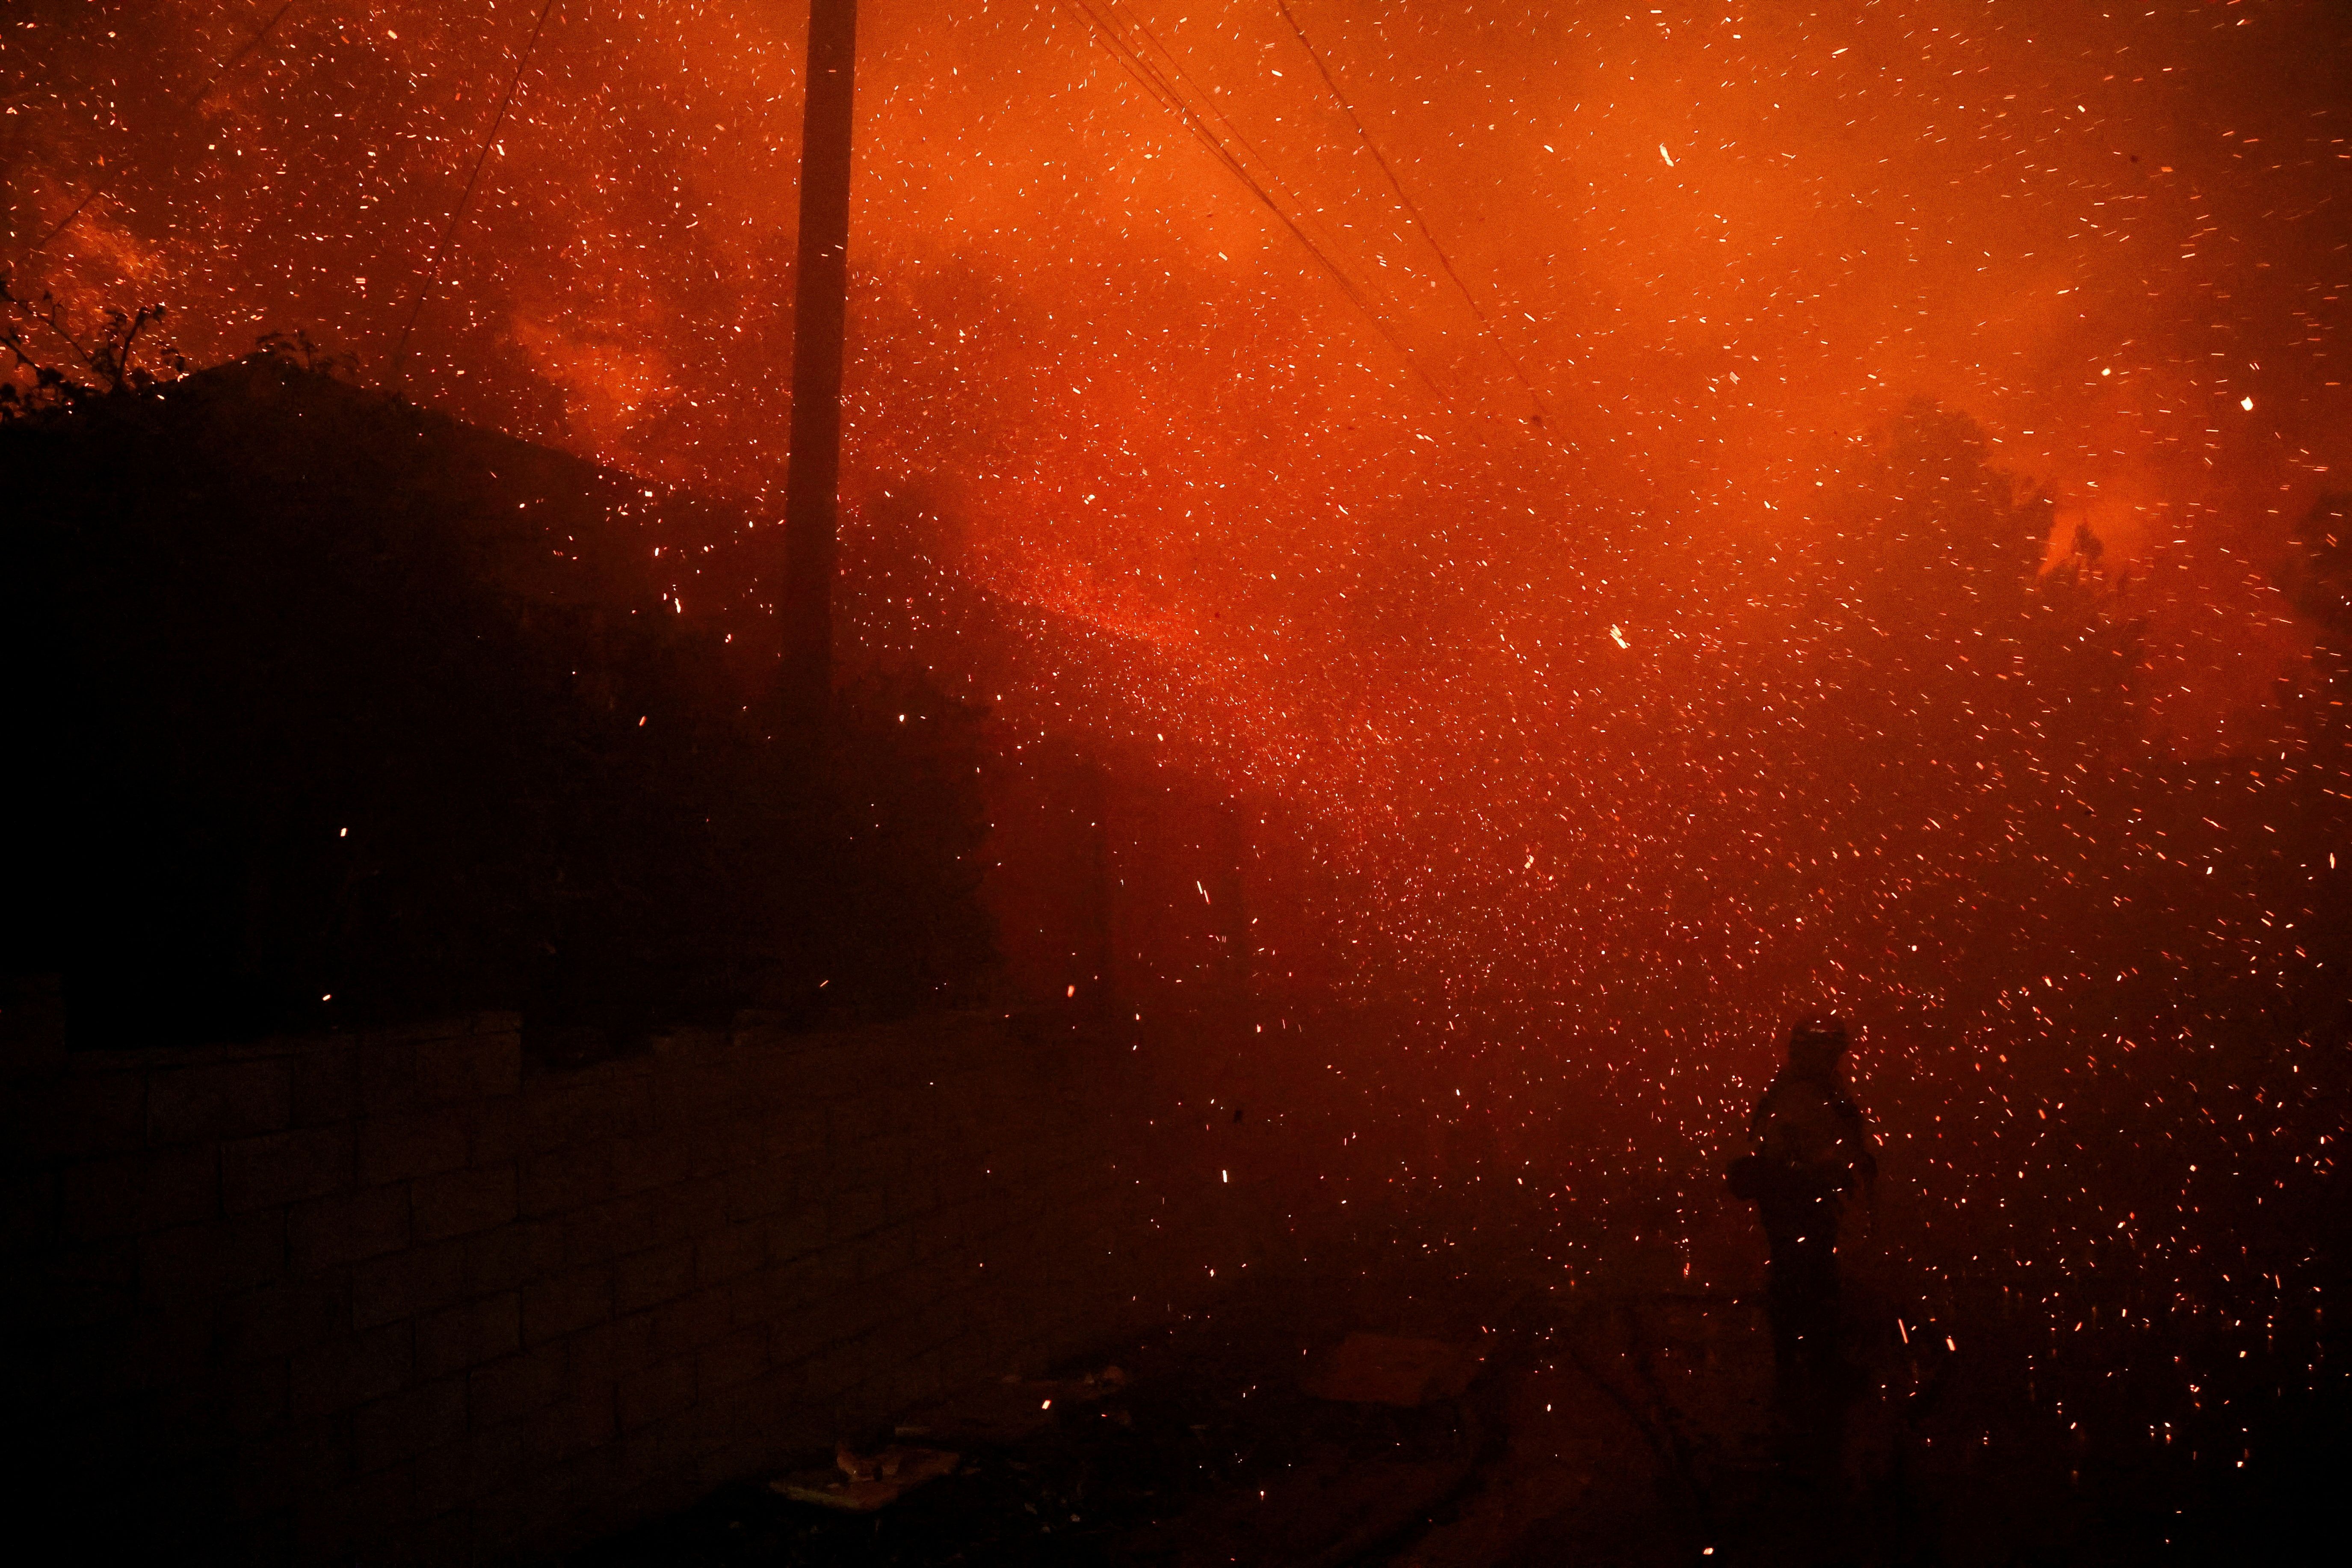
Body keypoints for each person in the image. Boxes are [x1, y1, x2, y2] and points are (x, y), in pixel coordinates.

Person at [1731, 1015, 1877, 1394]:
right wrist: (1832, 1171)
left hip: (1804, 1197)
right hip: (1797, 1200)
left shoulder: (1815, 1087)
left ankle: (1805, 1367)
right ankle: (1809, 1371)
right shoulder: (1799, 1093)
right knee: (1806, 1279)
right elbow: (1793, 1148)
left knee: (1808, 1277)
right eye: (1830, 1049)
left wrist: (1851, 1162)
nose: (1836, 1057)